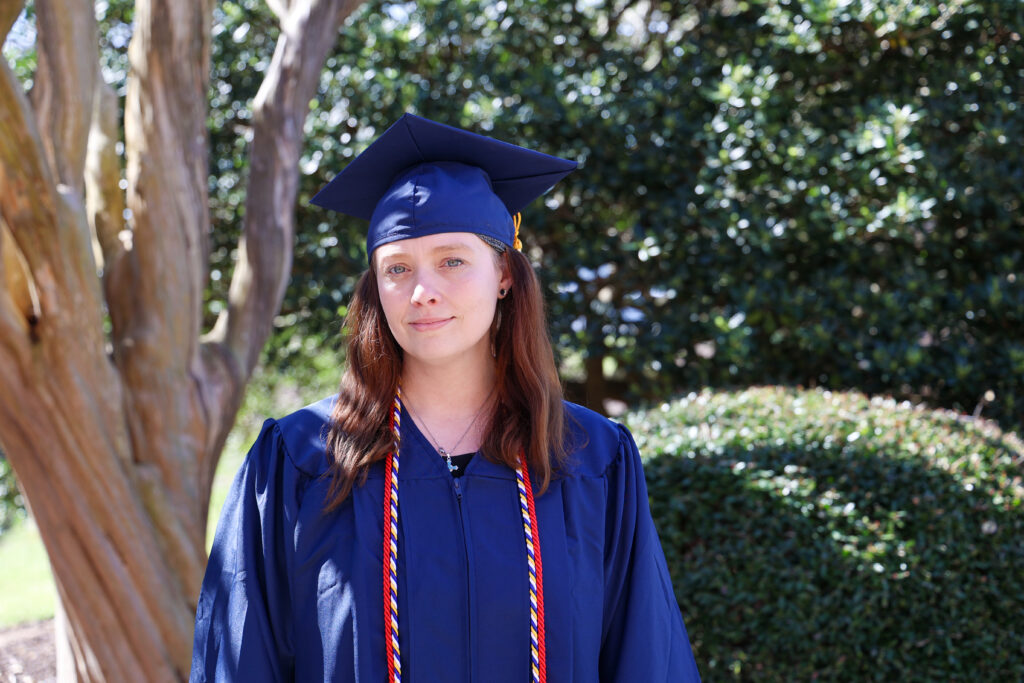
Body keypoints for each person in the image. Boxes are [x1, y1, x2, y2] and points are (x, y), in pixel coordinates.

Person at [190, 114, 701, 682]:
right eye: (397, 268)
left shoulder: (589, 459)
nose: (422, 291)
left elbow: (646, 658)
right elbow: (239, 662)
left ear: (504, 272)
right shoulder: (299, 462)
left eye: (452, 260)